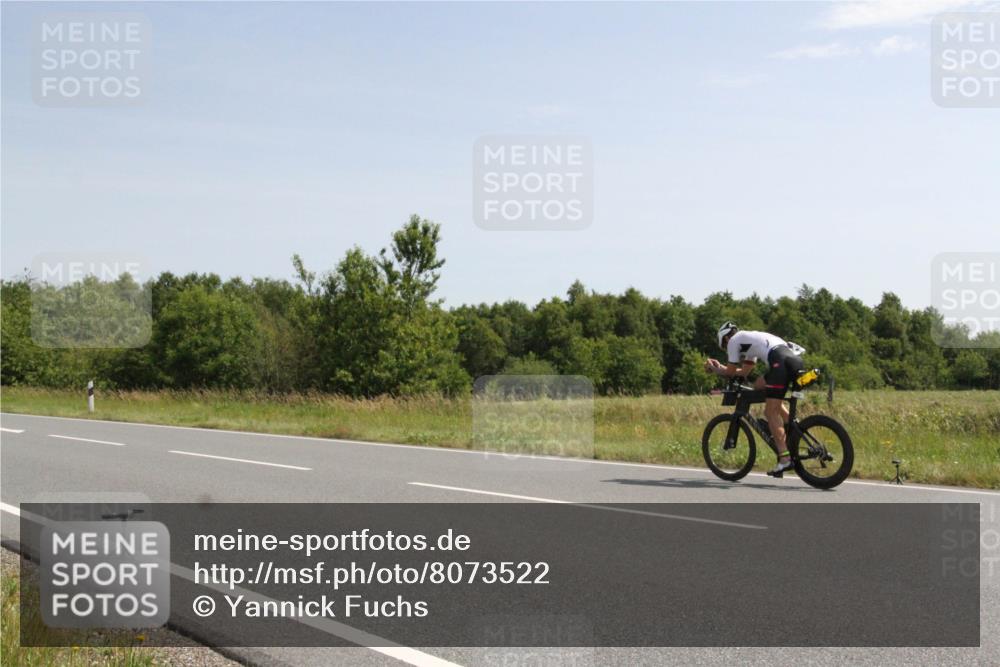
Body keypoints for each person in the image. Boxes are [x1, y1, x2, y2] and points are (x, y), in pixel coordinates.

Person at [703, 321, 803, 476]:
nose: (727, 348)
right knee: (758, 385)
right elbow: (743, 372)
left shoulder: (734, 341)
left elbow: (730, 373)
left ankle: (785, 459)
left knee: (770, 412)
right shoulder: (749, 340)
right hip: (791, 360)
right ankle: (792, 426)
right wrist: (721, 368)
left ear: (725, 338)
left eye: (724, 345)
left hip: (779, 363)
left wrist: (714, 369)